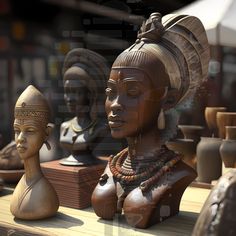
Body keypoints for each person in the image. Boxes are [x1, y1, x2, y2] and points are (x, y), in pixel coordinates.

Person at [91, 12, 210, 228]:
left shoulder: (178, 173)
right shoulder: (113, 167)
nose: (116, 104)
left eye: (133, 91)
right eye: (111, 93)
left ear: (168, 99)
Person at [60, 48, 124, 166]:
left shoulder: (100, 128)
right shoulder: (64, 127)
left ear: (90, 94)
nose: (69, 98)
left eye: (76, 92)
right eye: (67, 92)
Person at [10, 85, 59, 220]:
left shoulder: (44, 193)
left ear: (46, 134)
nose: (20, 139)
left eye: (30, 131)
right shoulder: (23, 184)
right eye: (17, 130)